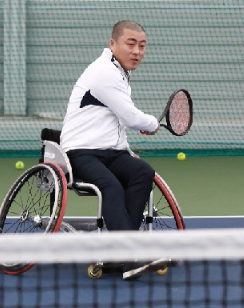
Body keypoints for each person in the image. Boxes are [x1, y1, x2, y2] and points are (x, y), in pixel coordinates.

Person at [60, 20, 166, 280]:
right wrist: (152, 123)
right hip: (81, 151)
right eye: (131, 44)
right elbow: (129, 116)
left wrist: (127, 151)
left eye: (142, 46)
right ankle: (129, 257)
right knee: (111, 186)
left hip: (111, 153)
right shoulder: (104, 72)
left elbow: (115, 121)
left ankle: (122, 252)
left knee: (143, 172)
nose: (137, 51)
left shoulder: (120, 73)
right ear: (113, 44)